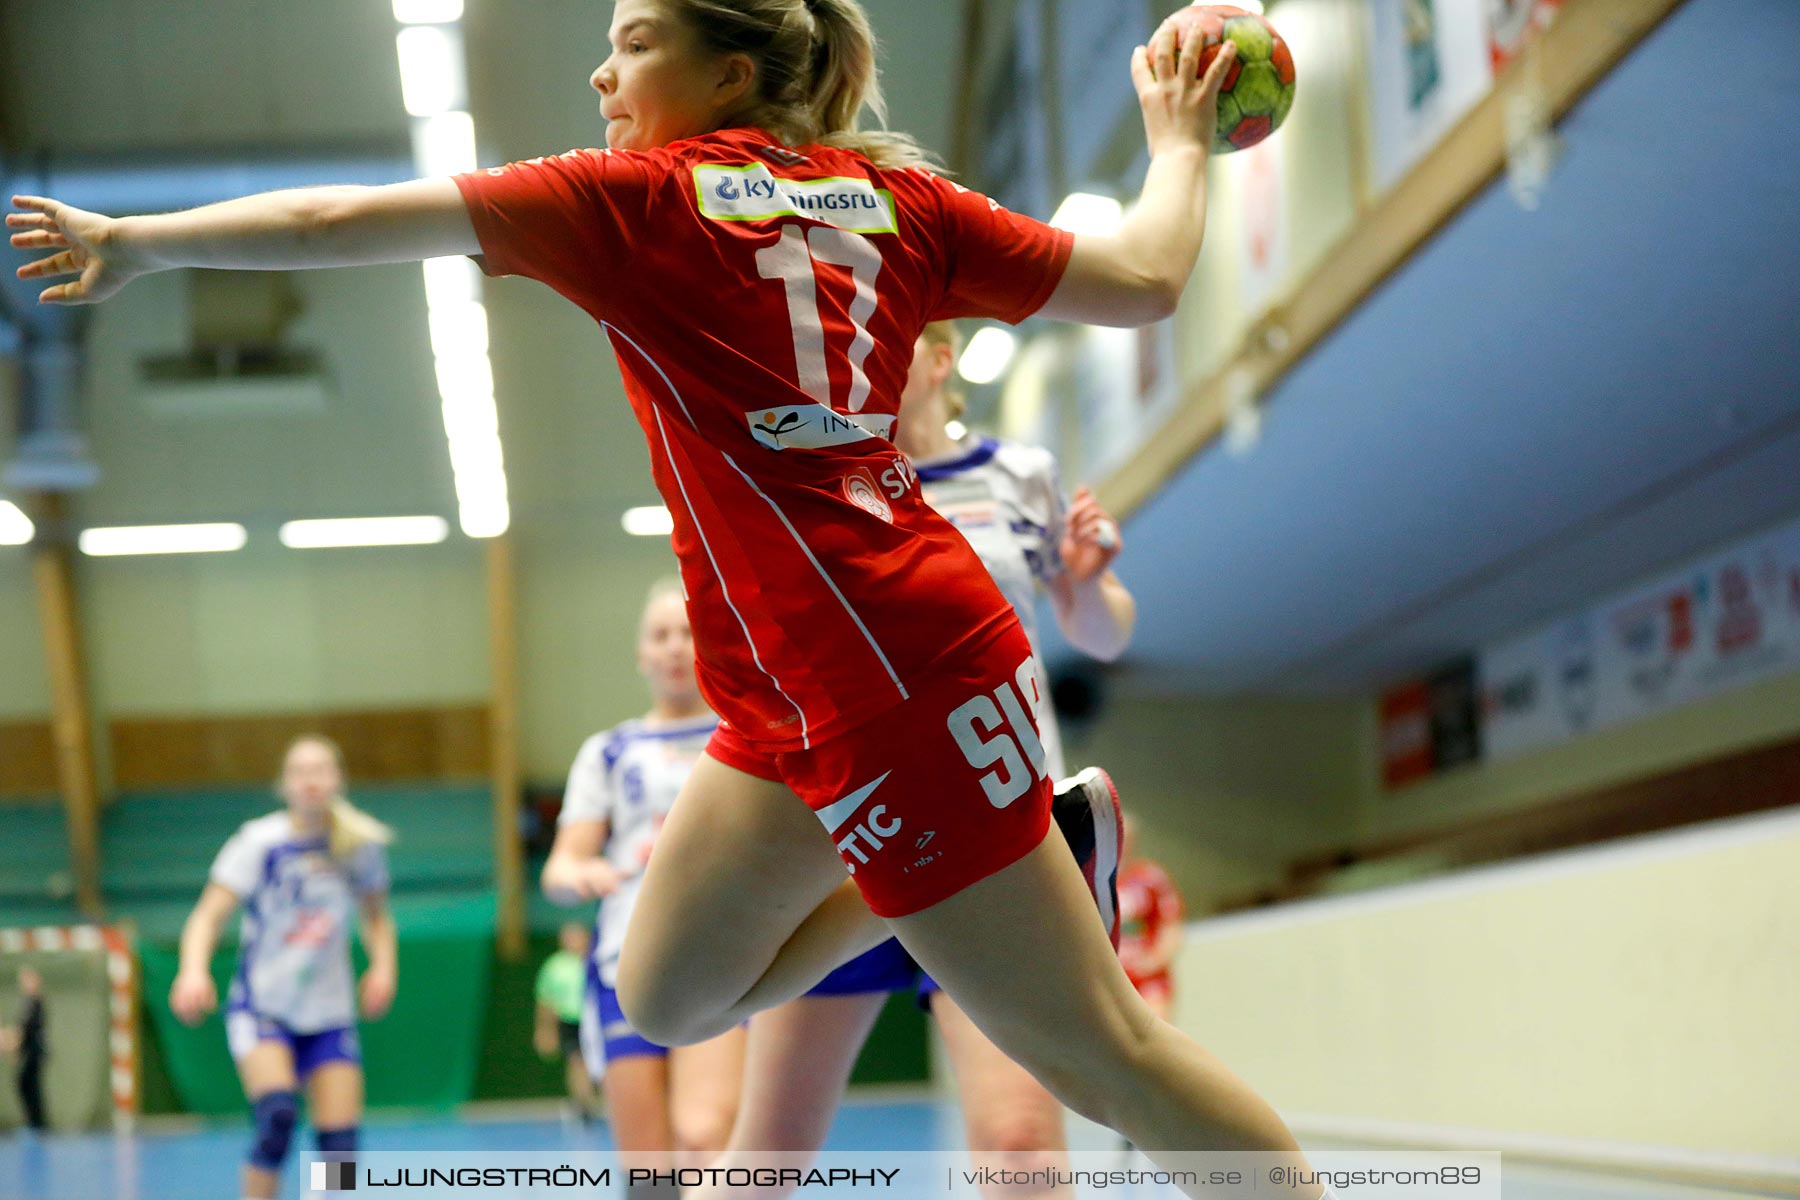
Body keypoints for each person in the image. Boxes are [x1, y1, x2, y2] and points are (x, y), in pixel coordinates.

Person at [11, 5, 1330, 1192]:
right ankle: (981, 858)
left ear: (730, 69)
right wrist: (1177, 143)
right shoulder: (894, 200)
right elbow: (1148, 279)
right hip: (781, 688)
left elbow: (333, 223)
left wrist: (136, 243)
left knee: (1112, 1060)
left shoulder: (641, 202)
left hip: (893, 683)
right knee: (668, 994)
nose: (600, 67)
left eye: (634, 39)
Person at [692, 321, 1137, 1200]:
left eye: (887, 348)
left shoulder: (1018, 477)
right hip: (856, 836)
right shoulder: (813, 480)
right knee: (765, 1160)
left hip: (999, 843)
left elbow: (1104, 633)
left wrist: (1086, 582)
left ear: (938, 361)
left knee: (1022, 1151)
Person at [541, 581, 745, 1185]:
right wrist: (580, 872)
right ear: (641, 655)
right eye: (661, 635)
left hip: (720, 959)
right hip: (624, 963)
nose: (676, 647)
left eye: (688, 633)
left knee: (705, 1137)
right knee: (648, 1172)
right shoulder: (609, 751)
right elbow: (559, 866)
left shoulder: (743, 738)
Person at [166, 736, 397, 1200]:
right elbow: (208, 915)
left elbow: (376, 916)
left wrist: (383, 967)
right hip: (264, 1007)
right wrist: (193, 969)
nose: (311, 780)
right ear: (284, 784)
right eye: (300, 771)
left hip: (329, 1011)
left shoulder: (357, 845)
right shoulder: (259, 842)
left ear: (339, 779)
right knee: (277, 1119)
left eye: (321, 769)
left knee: (340, 1150)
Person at [1117, 814, 1185, 1023]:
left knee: (1158, 1033)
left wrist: (1153, 962)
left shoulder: (1150, 878)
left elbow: (1172, 927)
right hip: (1112, 979)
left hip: (1147, 978)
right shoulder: (1088, 879)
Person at [534, 922, 603, 1125]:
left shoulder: (596, 959)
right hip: (570, 1021)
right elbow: (545, 1000)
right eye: (569, 935)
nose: (573, 939)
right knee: (577, 1062)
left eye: (577, 934)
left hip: (595, 1021)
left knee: (600, 1063)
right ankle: (583, 1105)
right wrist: (545, 1030)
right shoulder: (554, 966)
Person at [1, 967, 48, 1131]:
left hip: (35, 1052)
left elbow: (23, 1031)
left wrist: (9, 1040)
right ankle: (35, 1124)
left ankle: (37, 1125)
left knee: (28, 1085)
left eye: (28, 980)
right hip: (28, 1051)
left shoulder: (35, 1003)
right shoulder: (27, 1003)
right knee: (26, 1085)